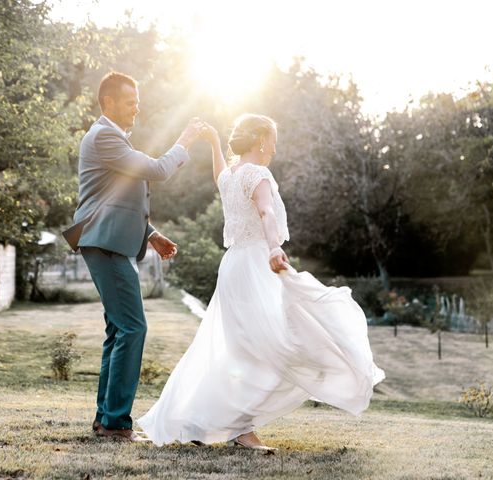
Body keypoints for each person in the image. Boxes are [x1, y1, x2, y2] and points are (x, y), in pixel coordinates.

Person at [137, 114, 385, 452]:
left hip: (233, 266)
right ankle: (241, 428)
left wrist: (213, 144)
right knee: (270, 346)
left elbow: (219, 174)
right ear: (263, 140)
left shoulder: (234, 175)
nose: (276, 147)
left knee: (242, 348)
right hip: (255, 264)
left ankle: (206, 421)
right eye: (274, 140)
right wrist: (273, 247)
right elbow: (267, 212)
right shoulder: (257, 174)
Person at [65, 72, 204, 443]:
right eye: (130, 101)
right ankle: (115, 423)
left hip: (110, 241)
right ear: (109, 102)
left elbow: (113, 199)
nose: (137, 107)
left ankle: (106, 419)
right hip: (106, 244)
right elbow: (157, 170)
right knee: (133, 328)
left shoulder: (111, 139)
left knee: (118, 330)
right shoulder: (104, 136)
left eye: (137, 100)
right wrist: (185, 141)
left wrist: (152, 234)